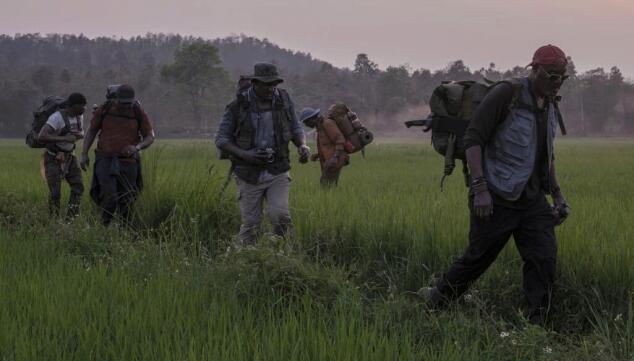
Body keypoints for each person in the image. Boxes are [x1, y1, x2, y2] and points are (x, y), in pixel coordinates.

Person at [420, 45, 571, 325]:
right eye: (551, 75)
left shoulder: (550, 103)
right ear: (534, 69)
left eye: (562, 76)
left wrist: (558, 196)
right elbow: (473, 139)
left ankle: (536, 326)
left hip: (533, 200)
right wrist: (479, 189)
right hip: (496, 196)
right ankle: (435, 302)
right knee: (477, 259)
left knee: (544, 261)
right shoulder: (507, 94)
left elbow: (546, 154)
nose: (557, 81)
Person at [215, 63, 310, 246]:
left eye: (274, 84)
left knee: (281, 217)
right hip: (248, 173)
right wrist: (245, 154)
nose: (270, 88)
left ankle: (289, 257)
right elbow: (221, 139)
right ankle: (243, 261)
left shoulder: (283, 99)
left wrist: (303, 146)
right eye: (266, 84)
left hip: (278, 170)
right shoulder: (237, 106)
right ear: (254, 83)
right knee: (252, 225)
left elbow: (295, 127)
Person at [80, 84, 155, 226]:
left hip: (128, 162)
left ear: (133, 101)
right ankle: (104, 228)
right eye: (122, 103)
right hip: (105, 159)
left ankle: (124, 231)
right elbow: (91, 131)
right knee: (110, 197)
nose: (125, 106)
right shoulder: (105, 109)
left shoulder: (137, 111)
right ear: (116, 99)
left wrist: (136, 147)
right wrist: (84, 154)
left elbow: (149, 137)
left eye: (128, 103)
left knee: (127, 199)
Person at [37, 92, 87, 219]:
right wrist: (64, 138)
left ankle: (71, 219)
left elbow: (80, 133)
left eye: (84, 106)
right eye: (81, 106)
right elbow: (42, 136)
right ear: (72, 106)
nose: (84, 109)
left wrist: (77, 136)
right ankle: (54, 221)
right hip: (53, 157)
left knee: (78, 187)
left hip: (70, 157)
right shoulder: (56, 117)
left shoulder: (79, 116)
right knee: (55, 193)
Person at [299, 105, 350, 187]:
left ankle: (332, 199)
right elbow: (328, 146)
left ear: (312, 119)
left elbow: (340, 139)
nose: (306, 125)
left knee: (326, 185)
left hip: (335, 160)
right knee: (329, 186)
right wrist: (317, 155)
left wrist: (335, 157)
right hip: (329, 161)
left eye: (306, 122)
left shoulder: (327, 123)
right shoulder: (320, 128)